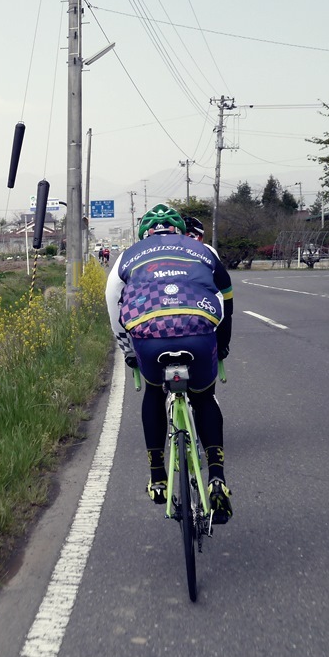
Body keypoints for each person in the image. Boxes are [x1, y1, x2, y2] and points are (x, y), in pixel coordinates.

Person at [104, 204, 235, 521]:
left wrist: (127, 349)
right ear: (181, 230)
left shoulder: (130, 254)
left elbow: (113, 301)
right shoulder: (204, 250)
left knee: (153, 392)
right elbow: (226, 298)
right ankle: (217, 479)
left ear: (144, 233)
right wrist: (222, 344)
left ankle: (157, 476)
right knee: (204, 396)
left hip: (150, 336)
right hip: (199, 331)